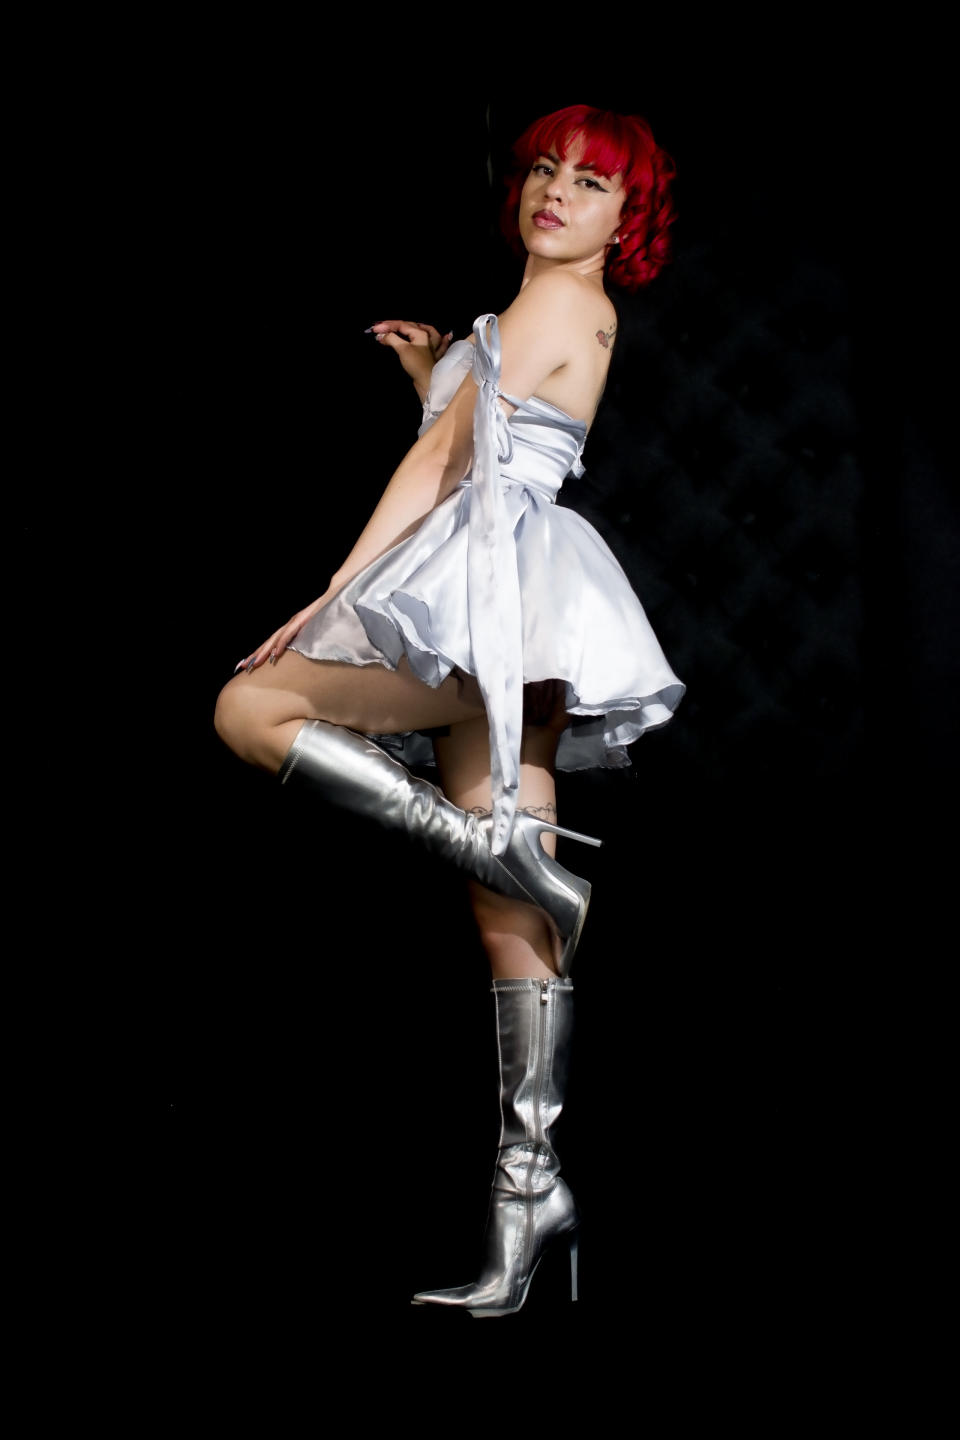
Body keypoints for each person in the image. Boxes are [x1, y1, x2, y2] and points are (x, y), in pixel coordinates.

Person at [214, 103, 684, 1316]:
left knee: (252, 709)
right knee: (510, 929)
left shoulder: (558, 301)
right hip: (513, 607)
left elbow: (443, 468)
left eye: (591, 182)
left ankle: (510, 853)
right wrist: (440, 372)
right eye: (545, 169)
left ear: (627, 218)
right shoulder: (540, 313)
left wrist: (329, 594)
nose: (556, 192)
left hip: (492, 592)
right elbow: (489, 432)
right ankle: (533, 1196)